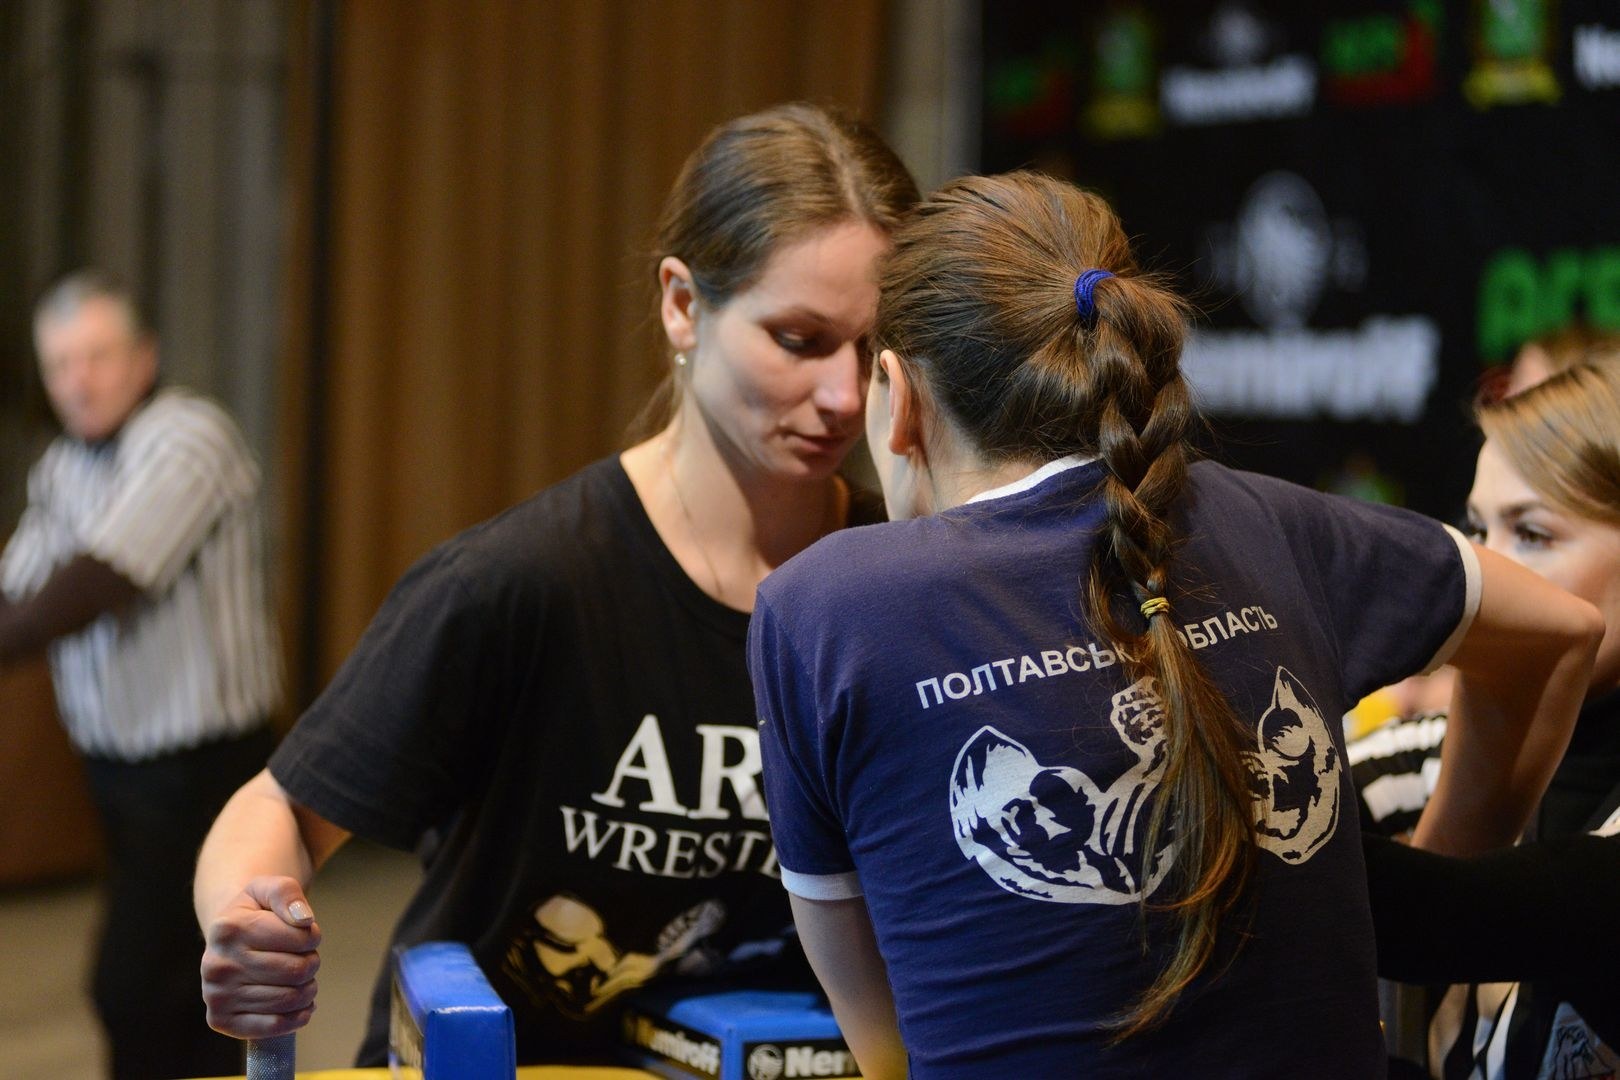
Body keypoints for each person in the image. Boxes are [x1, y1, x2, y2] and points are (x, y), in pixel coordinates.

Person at [747, 172, 1601, 1078]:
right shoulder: (1265, 520)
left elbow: (885, 1049)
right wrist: (1448, 878)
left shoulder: (824, 608)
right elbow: (1558, 635)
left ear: (898, 391)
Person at [193, 102, 920, 1066]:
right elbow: (280, 808)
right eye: (798, 339)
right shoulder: (523, 582)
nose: (841, 394)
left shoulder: (898, 582)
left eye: (874, 350)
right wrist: (251, 919)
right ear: (682, 305)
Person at [0, 270, 281, 1080]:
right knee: (188, 982)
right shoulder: (62, 466)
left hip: (201, 769)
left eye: (96, 355)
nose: (77, 381)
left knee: (128, 984)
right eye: (58, 365)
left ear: (144, 355)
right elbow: (19, 583)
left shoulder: (189, 433)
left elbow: (95, 582)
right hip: (116, 771)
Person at [1354, 360, 1620, 1077]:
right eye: (1476, 530)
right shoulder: (1413, 757)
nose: (1482, 576)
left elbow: (1439, 915)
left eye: (1531, 534)